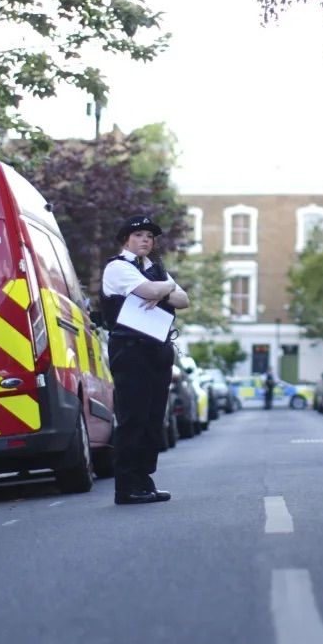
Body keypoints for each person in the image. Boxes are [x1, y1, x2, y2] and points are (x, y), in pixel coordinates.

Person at [101, 215, 190, 505]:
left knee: (153, 419)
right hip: (130, 349)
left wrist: (161, 291)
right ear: (126, 239)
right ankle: (126, 486)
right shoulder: (117, 267)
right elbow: (154, 292)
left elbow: (184, 300)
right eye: (139, 235)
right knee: (133, 417)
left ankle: (144, 480)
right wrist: (164, 289)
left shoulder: (154, 268)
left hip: (157, 348)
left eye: (150, 237)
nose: (145, 241)